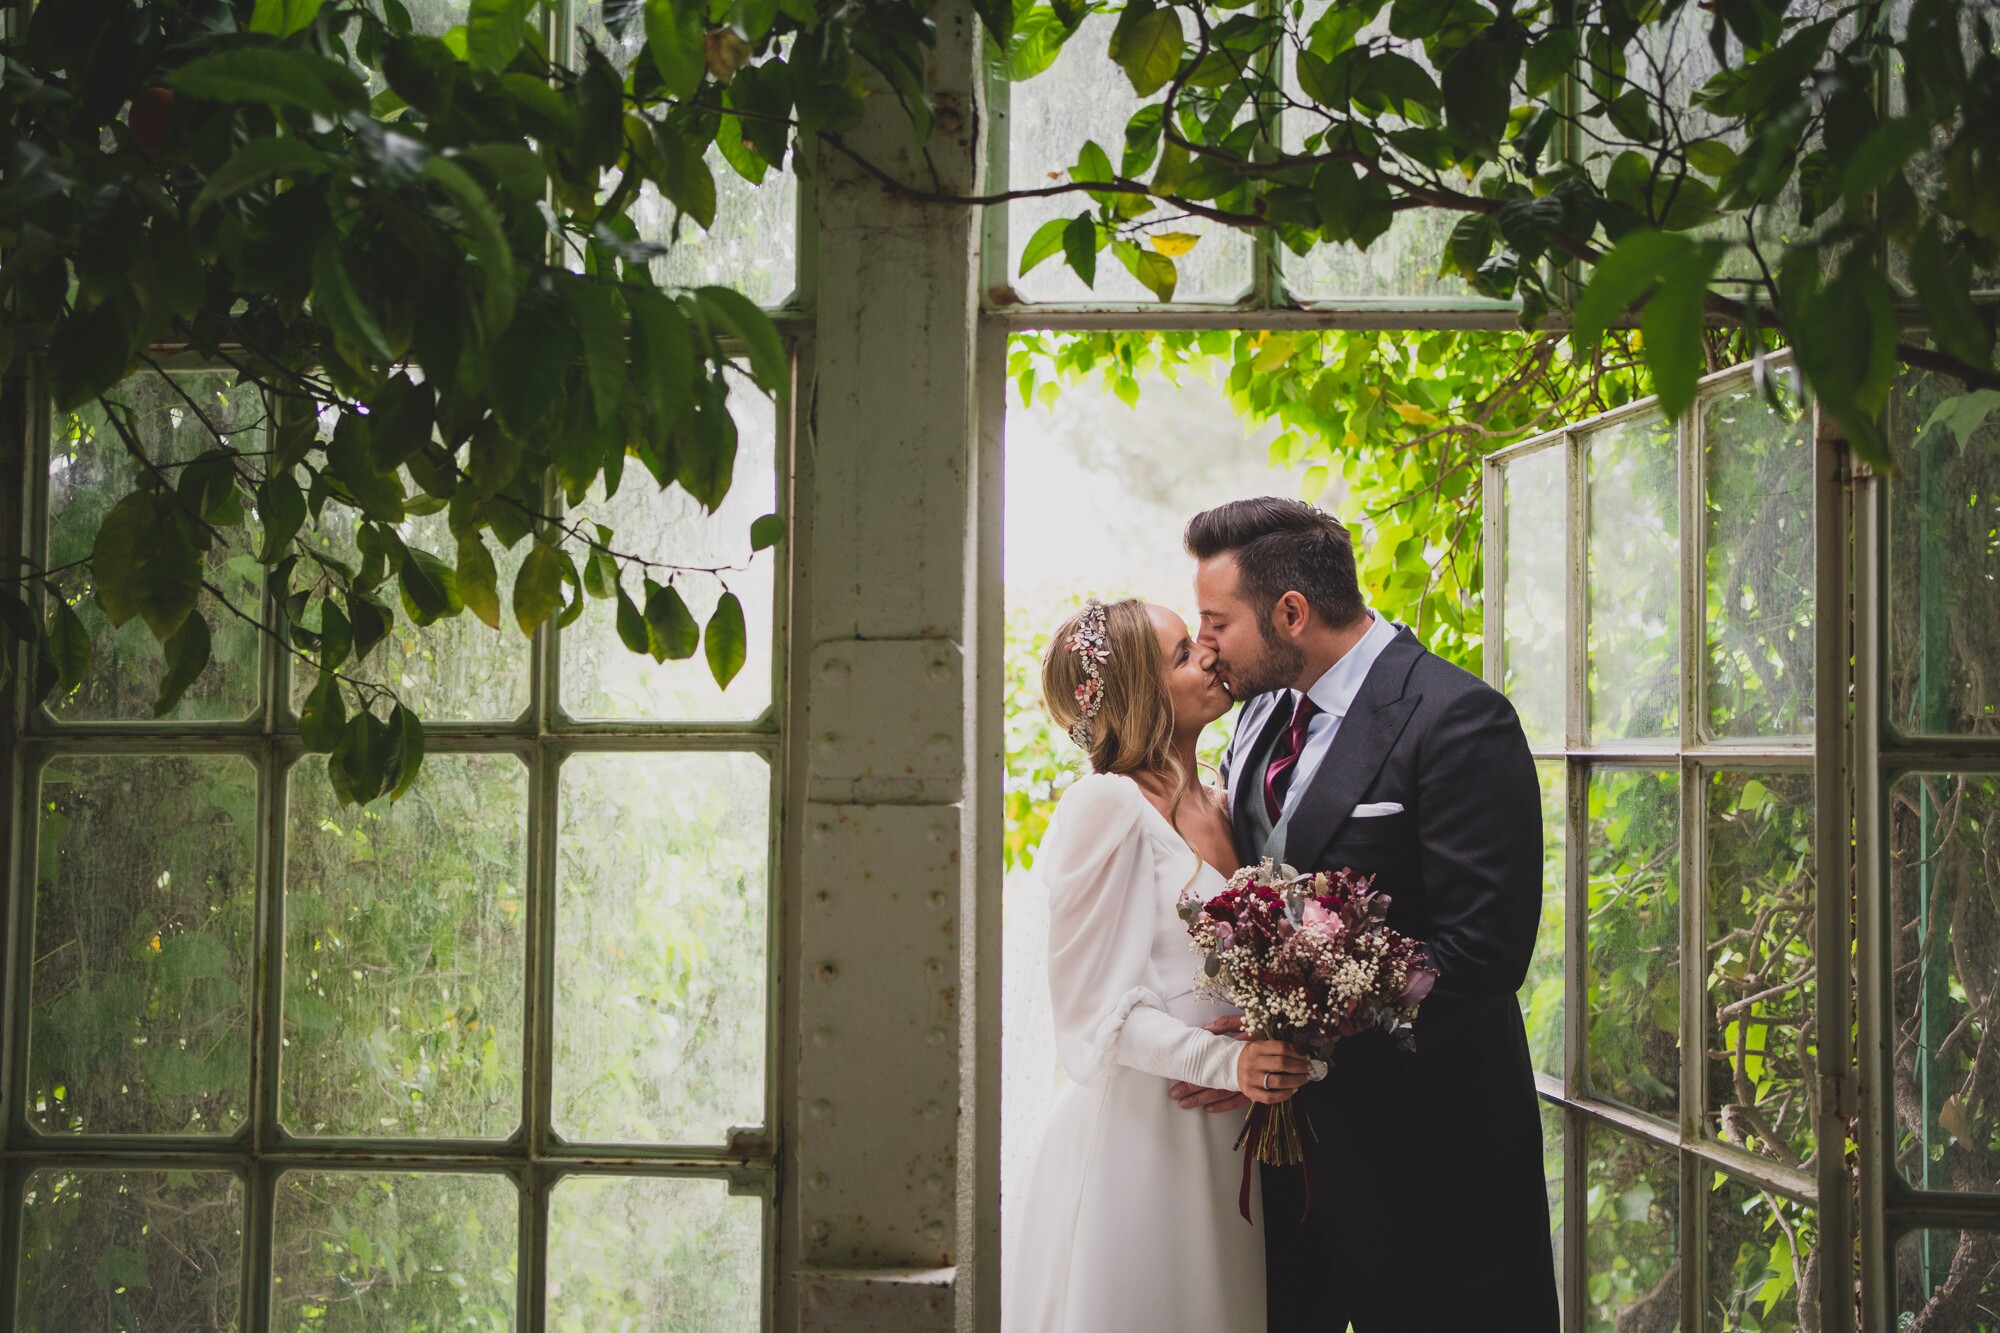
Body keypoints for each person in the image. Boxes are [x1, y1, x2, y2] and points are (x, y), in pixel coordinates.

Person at [1172, 497, 1559, 1333]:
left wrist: (1304, 1039)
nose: (1205, 645)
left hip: (1431, 1158)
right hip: (1281, 1164)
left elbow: (1483, 952)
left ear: (1291, 612)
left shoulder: (1459, 719)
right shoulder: (1260, 711)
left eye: (1215, 620)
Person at [1002, 597, 1307, 1333]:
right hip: (1141, 1145)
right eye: (1180, 654)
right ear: (1138, 691)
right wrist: (1226, 1063)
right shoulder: (1107, 808)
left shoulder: (1231, 801)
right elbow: (1094, 1017)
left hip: (1227, 1143)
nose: (1208, 654)